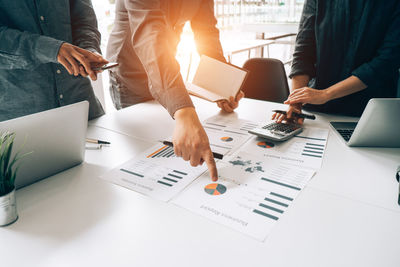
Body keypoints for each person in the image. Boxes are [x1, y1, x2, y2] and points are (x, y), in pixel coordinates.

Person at [107, 0, 244, 181]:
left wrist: (221, 85)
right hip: (132, 74)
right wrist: (183, 111)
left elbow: (207, 33)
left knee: (171, 140)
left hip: (166, 68)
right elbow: (150, 35)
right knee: (145, 157)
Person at [274, 0, 400, 123]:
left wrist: (326, 94)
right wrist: (295, 103)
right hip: (317, 112)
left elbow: (386, 62)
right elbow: (304, 50)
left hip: (369, 114)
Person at [0, 0, 108, 122]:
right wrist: (53, 49)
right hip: (21, 119)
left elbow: (83, 18)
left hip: (82, 104)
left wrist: (87, 49)